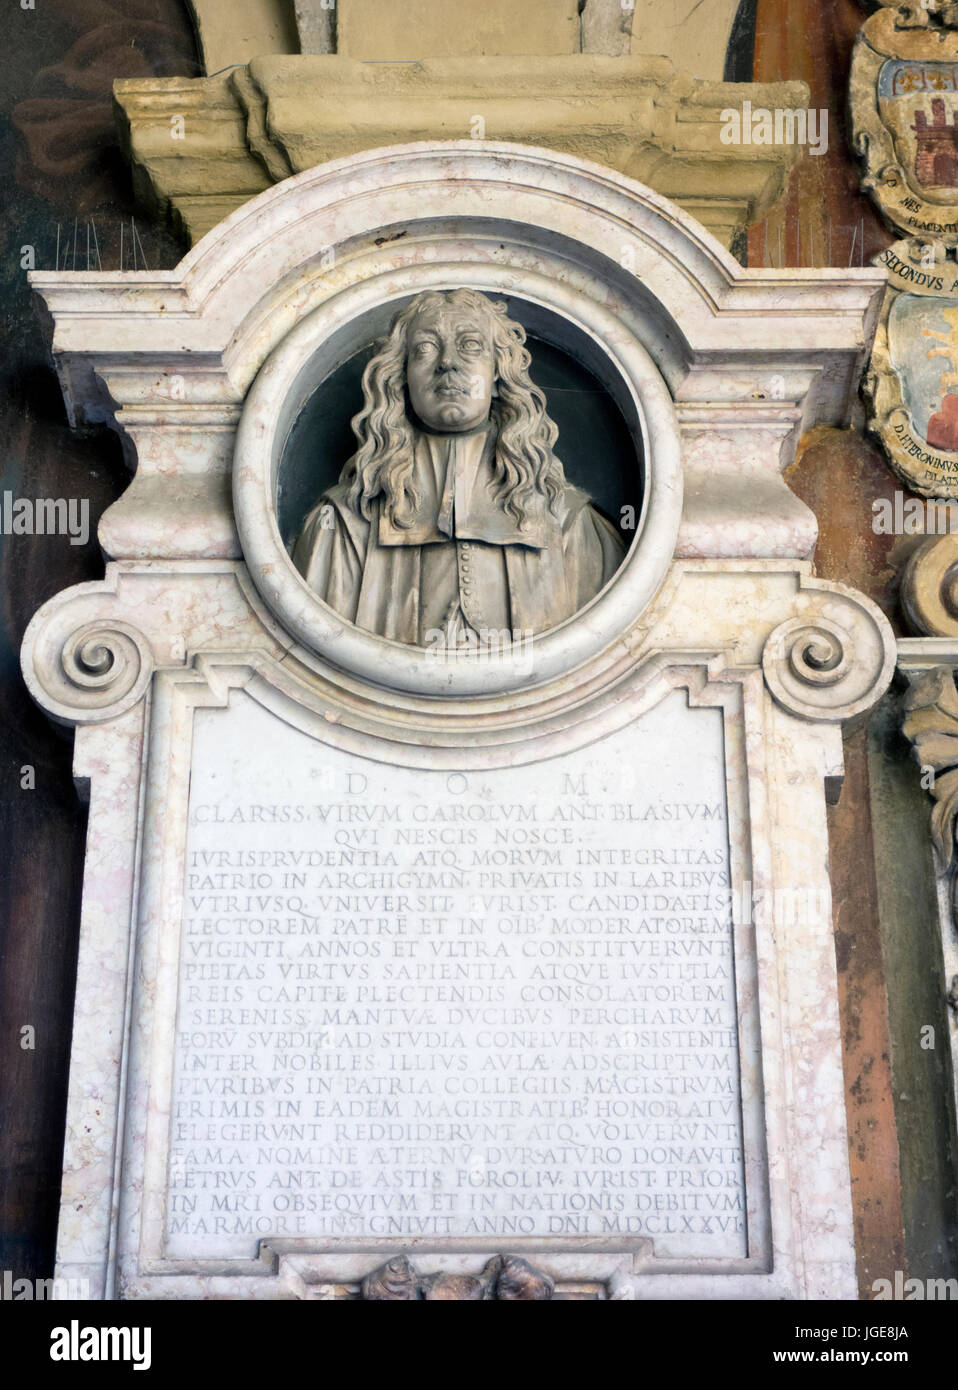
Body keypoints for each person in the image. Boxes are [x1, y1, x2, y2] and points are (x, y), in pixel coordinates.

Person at [292, 288, 625, 647]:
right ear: (400, 379)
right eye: (424, 349)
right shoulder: (341, 526)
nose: (447, 363)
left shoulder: (570, 524)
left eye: (470, 345)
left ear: (499, 374)